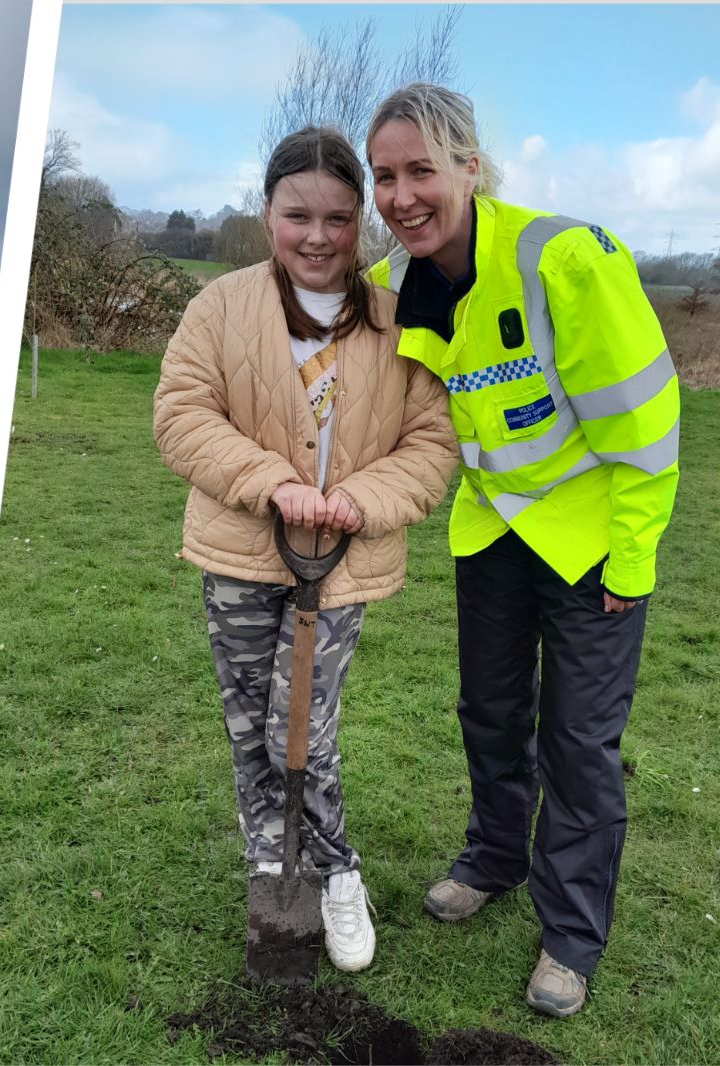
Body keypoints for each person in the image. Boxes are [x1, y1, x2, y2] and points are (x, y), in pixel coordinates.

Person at [363, 84, 680, 1018]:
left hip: (590, 542)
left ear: (471, 167)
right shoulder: (392, 285)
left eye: (422, 170)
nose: (401, 196)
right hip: (492, 534)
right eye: (384, 176)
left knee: (579, 743)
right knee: (492, 716)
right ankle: (494, 858)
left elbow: (648, 423)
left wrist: (632, 557)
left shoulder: (562, 259)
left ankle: (571, 936)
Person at [154, 126, 456, 975]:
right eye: (297, 217)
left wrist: (362, 500)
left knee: (304, 727)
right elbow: (181, 413)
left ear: (362, 222)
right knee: (248, 722)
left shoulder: (398, 319)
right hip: (240, 554)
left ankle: (337, 872)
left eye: (337, 219)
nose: (317, 238)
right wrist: (272, 483)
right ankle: (270, 864)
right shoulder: (221, 308)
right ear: (267, 215)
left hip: (340, 563)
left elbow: (432, 441)